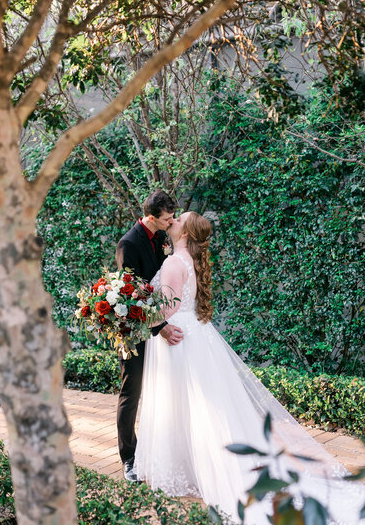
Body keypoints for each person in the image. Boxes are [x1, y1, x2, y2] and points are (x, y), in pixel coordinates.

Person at [135, 211, 365, 524]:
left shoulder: (175, 263)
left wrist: (137, 309)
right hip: (194, 335)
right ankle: (192, 464)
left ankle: (191, 467)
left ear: (185, 233)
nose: (172, 221)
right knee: (196, 405)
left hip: (176, 336)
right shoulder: (191, 261)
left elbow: (168, 307)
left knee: (184, 403)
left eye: (178, 220)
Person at [115, 190, 184, 482]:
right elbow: (130, 297)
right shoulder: (128, 243)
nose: (172, 222)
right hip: (133, 331)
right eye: (168, 219)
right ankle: (129, 458)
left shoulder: (161, 237)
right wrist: (160, 328)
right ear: (152, 216)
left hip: (156, 326)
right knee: (132, 393)